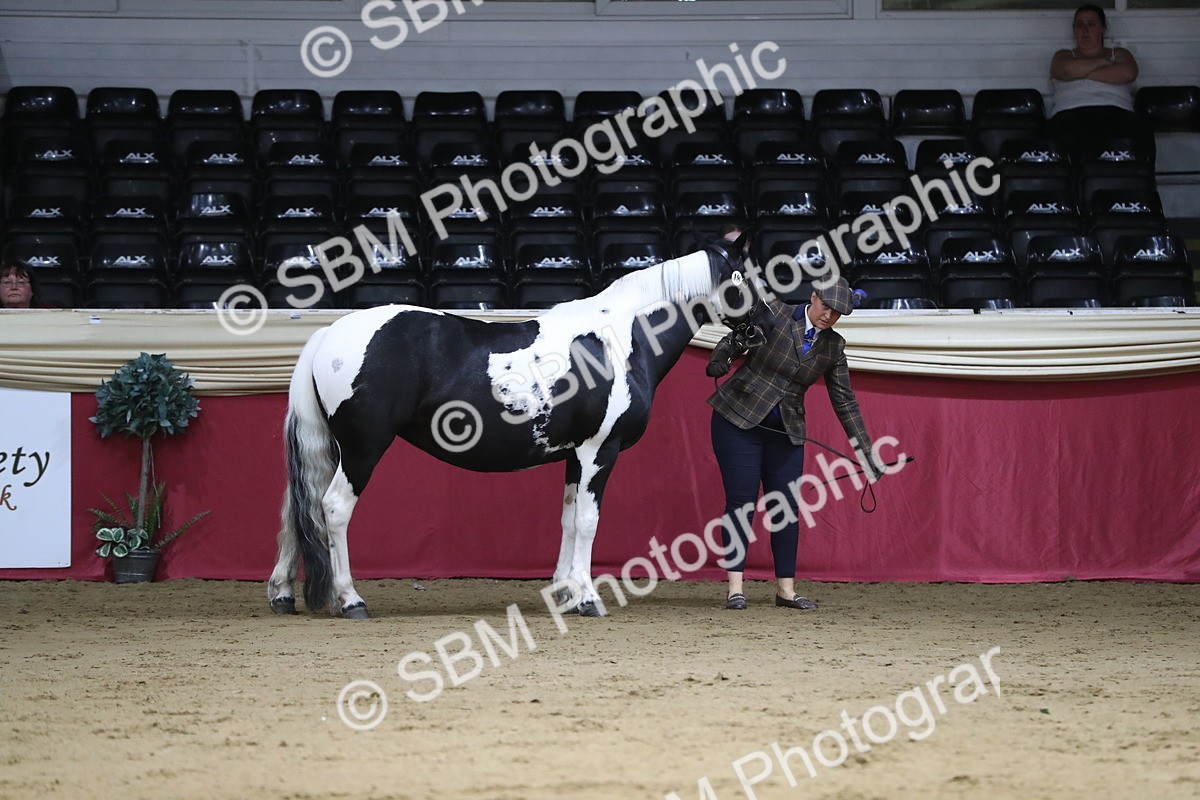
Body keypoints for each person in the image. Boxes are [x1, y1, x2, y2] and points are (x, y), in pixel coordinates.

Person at [707, 228, 882, 611]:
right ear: (813, 296)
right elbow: (738, 335)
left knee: (785, 507)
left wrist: (865, 451)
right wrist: (721, 355)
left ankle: (786, 590)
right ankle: (735, 588)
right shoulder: (775, 313)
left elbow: (845, 402)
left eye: (838, 313)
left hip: (786, 431)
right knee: (741, 504)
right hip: (738, 420)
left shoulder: (834, 346)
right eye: (826, 308)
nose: (830, 316)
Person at [1048, 4, 1155, 165]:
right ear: (1074, 30)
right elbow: (1065, 71)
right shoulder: (1063, 55)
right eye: (1080, 25)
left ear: (1103, 28)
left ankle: (1142, 186)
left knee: (1141, 131)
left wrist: (1081, 71)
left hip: (1116, 111)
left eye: (1091, 24)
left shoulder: (1119, 53)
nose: (1085, 30)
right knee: (1064, 134)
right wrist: (1105, 63)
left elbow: (1128, 73)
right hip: (1070, 112)